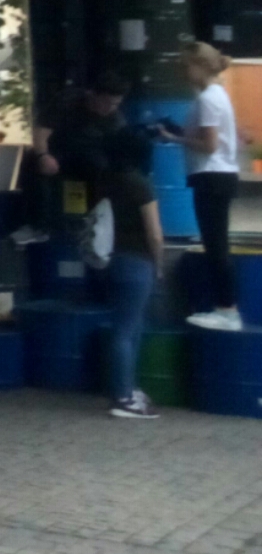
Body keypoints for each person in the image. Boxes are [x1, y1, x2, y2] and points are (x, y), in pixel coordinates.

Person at [163, 43, 244, 331]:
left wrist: (175, 139)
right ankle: (226, 307)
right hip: (222, 175)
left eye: (187, 66)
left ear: (200, 66)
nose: (184, 73)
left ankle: (227, 309)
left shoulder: (208, 99)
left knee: (215, 245)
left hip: (211, 176)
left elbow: (209, 145)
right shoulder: (219, 94)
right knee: (216, 243)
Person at [103, 151, 167, 420]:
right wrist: (159, 264)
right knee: (128, 331)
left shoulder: (107, 180)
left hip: (112, 258)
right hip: (138, 260)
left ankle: (127, 387)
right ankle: (124, 397)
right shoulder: (140, 185)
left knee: (127, 327)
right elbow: (154, 233)